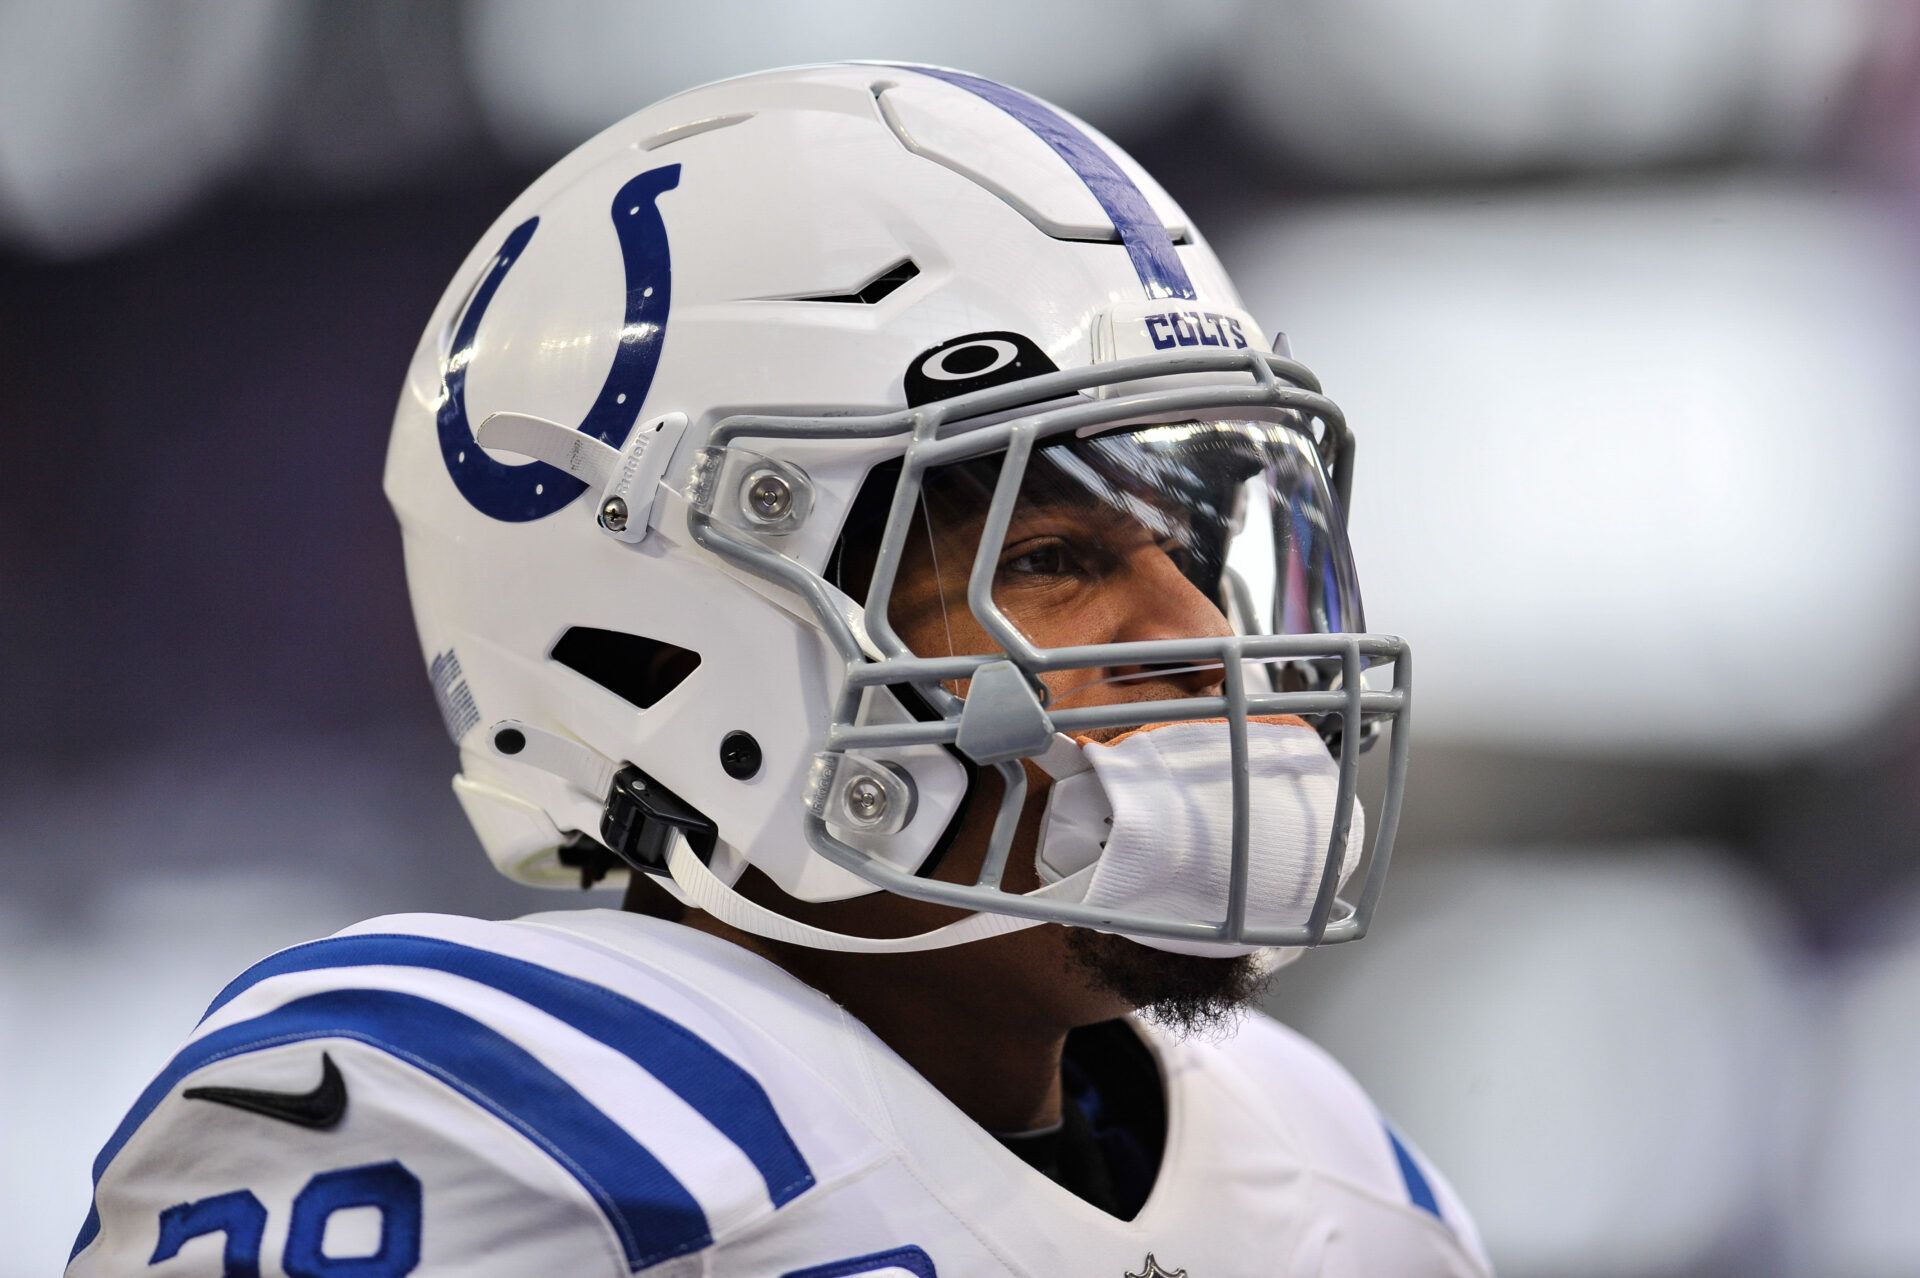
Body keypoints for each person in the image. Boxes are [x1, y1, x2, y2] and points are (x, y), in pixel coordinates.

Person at [70, 63, 1490, 1277]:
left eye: (1192, 546)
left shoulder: (1334, 1176)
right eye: (1048, 557)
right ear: (681, 647)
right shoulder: (494, 1130)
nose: (1197, 632)